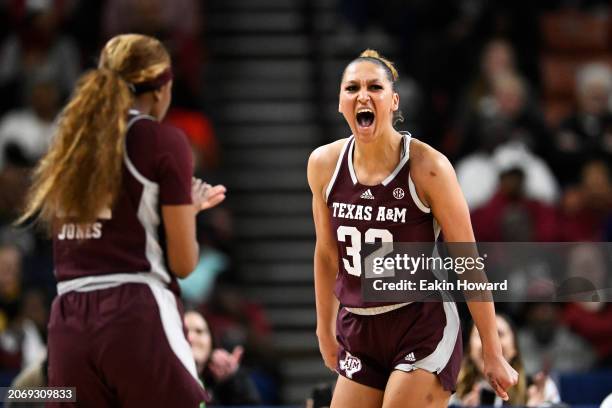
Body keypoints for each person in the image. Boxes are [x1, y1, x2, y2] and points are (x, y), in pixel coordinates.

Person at [17, 34, 226, 407]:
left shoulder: (69, 141)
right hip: (133, 309)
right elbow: (183, 263)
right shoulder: (159, 139)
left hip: (68, 317)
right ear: (162, 87)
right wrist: (188, 215)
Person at [307, 49, 518, 407]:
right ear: (341, 102)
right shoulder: (324, 164)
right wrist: (323, 328)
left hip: (421, 322)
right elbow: (328, 255)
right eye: (352, 87)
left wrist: (493, 352)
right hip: (359, 325)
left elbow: (468, 261)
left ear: (393, 101)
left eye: (375, 86)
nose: (363, 95)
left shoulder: (428, 167)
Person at [453, 314, 561, 407]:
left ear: (514, 348)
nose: (491, 346)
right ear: (469, 348)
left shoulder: (540, 389)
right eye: (481, 335)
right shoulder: (450, 391)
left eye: (499, 334)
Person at [184, 310, 261, 405]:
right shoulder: (164, 381)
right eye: (184, 331)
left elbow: (250, 404)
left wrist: (233, 378)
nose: (191, 337)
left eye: (199, 331)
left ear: (212, 341)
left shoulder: (218, 385)